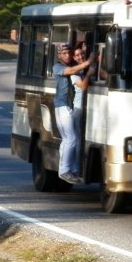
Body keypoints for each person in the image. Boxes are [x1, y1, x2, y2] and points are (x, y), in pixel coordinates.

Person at [52, 43, 94, 184]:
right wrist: (88, 63)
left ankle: (70, 169)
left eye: (69, 53)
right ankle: (64, 171)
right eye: (64, 53)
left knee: (69, 140)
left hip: (69, 107)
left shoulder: (75, 68)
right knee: (71, 139)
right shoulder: (58, 67)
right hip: (61, 106)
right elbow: (70, 71)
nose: (67, 56)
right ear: (59, 55)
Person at [70, 45, 96, 176]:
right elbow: (83, 87)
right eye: (78, 55)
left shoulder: (89, 67)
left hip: (92, 108)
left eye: (82, 54)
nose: (80, 57)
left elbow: (106, 76)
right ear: (74, 58)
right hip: (79, 108)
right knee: (78, 139)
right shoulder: (74, 72)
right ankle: (76, 168)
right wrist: (89, 74)